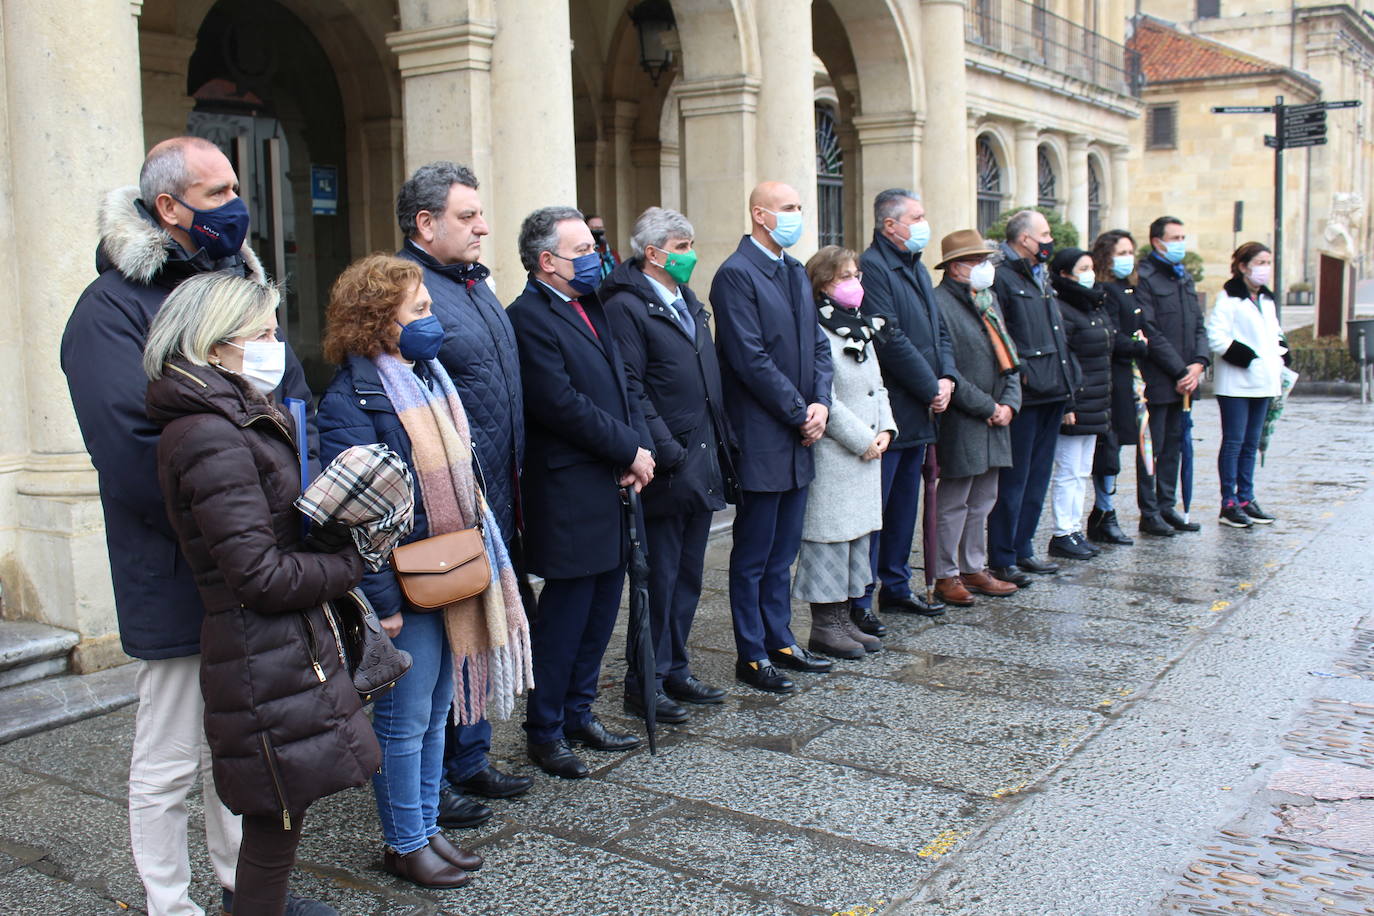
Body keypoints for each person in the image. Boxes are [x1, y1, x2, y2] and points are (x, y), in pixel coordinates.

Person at [61, 136, 316, 916]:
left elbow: (294, 404)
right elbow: (134, 454)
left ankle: (245, 884)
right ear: (168, 207)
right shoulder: (109, 311)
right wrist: (243, 525)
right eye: (218, 192)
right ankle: (168, 902)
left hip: (258, 555)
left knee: (243, 743)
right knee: (172, 751)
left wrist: (292, 509)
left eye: (238, 186)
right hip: (181, 570)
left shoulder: (238, 282)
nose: (236, 205)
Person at [144, 273, 375, 916]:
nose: (277, 345)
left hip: (273, 642)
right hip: (258, 645)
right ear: (214, 346)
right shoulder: (209, 433)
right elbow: (258, 573)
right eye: (264, 334)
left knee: (281, 810)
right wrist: (351, 562)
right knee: (275, 812)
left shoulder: (228, 416)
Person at [315, 255, 494, 890]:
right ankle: (404, 842)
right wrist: (385, 602)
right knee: (403, 722)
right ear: (376, 321)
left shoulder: (427, 378)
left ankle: (424, 828)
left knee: (436, 707)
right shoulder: (350, 399)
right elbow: (354, 519)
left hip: (448, 573)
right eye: (417, 310)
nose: (431, 319)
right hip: (406, 585)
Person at [393, 162, 533, 829]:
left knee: (479, 627)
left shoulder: (473, 284)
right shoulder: (409, 290)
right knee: (447, 638)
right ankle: (437, 776)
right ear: (426, 224)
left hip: (495, 494)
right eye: (468, 216)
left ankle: (471, 757)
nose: (483, 227)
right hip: (448, 502)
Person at [508, 206, 653, 778]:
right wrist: (627, 449)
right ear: (547, 261)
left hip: (610, 481)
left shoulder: (590, 304)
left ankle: (580, 712)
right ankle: (545, 730)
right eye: (583, 251)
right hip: (568, 488)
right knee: (566, 616)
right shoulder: (528, 317)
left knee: (601, 609)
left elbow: (623, 388)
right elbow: (561, 404)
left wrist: (638, 450)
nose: (596, 258)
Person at [601, 207, 732, 721]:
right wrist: (667, 448)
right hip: (668, 461)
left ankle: (675, 667)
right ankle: (645, 679)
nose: (690, 254)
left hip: (701, 455)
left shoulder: (686, 300)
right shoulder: (627, 306)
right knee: (658, 577)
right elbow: (631, 386)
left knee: (688, 575)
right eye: (681, 246)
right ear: (653, 254)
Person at [710, 180, 835, 695]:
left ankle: (781, 638)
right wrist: (797, 411)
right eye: (788, 208)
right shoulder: (736, 275)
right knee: (755, 551)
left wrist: (821, 404)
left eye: (800, 208)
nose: (797, 216)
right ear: (760, 215)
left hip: (801, 433)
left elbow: (819, 348)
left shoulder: (791, 271)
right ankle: (752, 651)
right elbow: (749, 357)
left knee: (784, 550)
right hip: (764, 434)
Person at [850, 189, 954, 635]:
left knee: (903, 508)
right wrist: (931, 385)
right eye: (917, 216)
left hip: (922, 411)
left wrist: (947, 377)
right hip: (892, 410)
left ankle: (896, 584)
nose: (924, 223)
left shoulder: (915, 267)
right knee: (879, 509)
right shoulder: (874, 267)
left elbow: (938, 332)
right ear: (890, 225)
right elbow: (890, 339)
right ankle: (863, 596)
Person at [795, 246, 894, 658]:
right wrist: (862, 440)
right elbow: (824, 397)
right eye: (844, 277)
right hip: (837, 454)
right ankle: (826, 625)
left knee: (855, 540)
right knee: (830, 540)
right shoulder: (815, 328)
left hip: (867, 454)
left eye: (856, 275)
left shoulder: (858, 327)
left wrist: (887, 428)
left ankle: (847, 619)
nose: (854, 284)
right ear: (822, 284)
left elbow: (878, 385)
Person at [930, 231, 1023, 606]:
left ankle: (974, 567)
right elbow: (948, 369)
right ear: (957, 267)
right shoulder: (939, 304)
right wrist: (988, 408)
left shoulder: (988, 300)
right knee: (954, 501)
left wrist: (1010, 404)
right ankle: (945, 573)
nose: (987, 268)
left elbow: (1010, 357)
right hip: (965, 419)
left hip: (997, 417)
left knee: (984, 498)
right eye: (979, 261)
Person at [987, 209, 1076, 585]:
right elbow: (1003, 339)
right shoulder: (1003, 278)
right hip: (1026, 392)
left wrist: (1069, 389)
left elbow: (1056, 335)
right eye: (1043, 234)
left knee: (1038, 478)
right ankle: (1003, 555)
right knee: (1015, 481)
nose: (1048, 241)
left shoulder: (1041, 277)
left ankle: (1024, 548)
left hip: (1053, 389)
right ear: (1024, 239)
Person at [1135, 216, 1209, 536]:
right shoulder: (1146, 277)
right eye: (1174, 237)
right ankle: (1149, 511)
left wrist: (1199, 363)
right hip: (1160, 377)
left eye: (1183, 236)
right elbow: (1149, 330)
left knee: (1175, 446)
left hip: (1185, 380)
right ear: (1157, 242)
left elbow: (1197, 324)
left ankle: (1167, 505)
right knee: (1154, 445)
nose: (1180, 243)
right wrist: (1180, 370)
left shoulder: (1183, 277)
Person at [1205, 242, 1285, 528]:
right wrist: (1244, 356)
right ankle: (1228, 502)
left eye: (1268, 262)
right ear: (1242, 266)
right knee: (1234, 442)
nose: (1265, 268)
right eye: (1259, 262)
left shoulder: (1266, 298)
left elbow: (1274, 331)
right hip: (1236, 383)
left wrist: (1281, 349)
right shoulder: (1229, 298)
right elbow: (1216, 336)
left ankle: (1246, 498)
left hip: (1264, 382)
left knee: (1252, 444)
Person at [1046, 248, 1112, 560]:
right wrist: (1069, 403)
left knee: (1083, 469)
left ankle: (1074, 529)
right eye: (1082, 268)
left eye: (1091, 267)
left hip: (1096, 398)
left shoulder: (1094, 304)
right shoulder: (1062, 307)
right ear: (1064, 274)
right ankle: (1062, 531)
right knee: (1068, 470)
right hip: (1077, 398)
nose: (1090, 273)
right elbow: (1064, 358)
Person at [1087, 230, 1148, 546]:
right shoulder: (1106, 291)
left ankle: (1105, 511)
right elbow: (1112, 335)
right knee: (1106, 448)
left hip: (1126, 378)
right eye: (1121, 252)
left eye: (1130, 252)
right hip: (1108, 378)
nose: (1128, 258)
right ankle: (1103, 513)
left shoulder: (1128, 289)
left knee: (1115, 447)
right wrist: (1137, 345)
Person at [587, 213, 620, 279]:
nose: (598, 231)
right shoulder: (583, 256)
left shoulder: (613, 254)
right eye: (594, 228)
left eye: (600, 228)